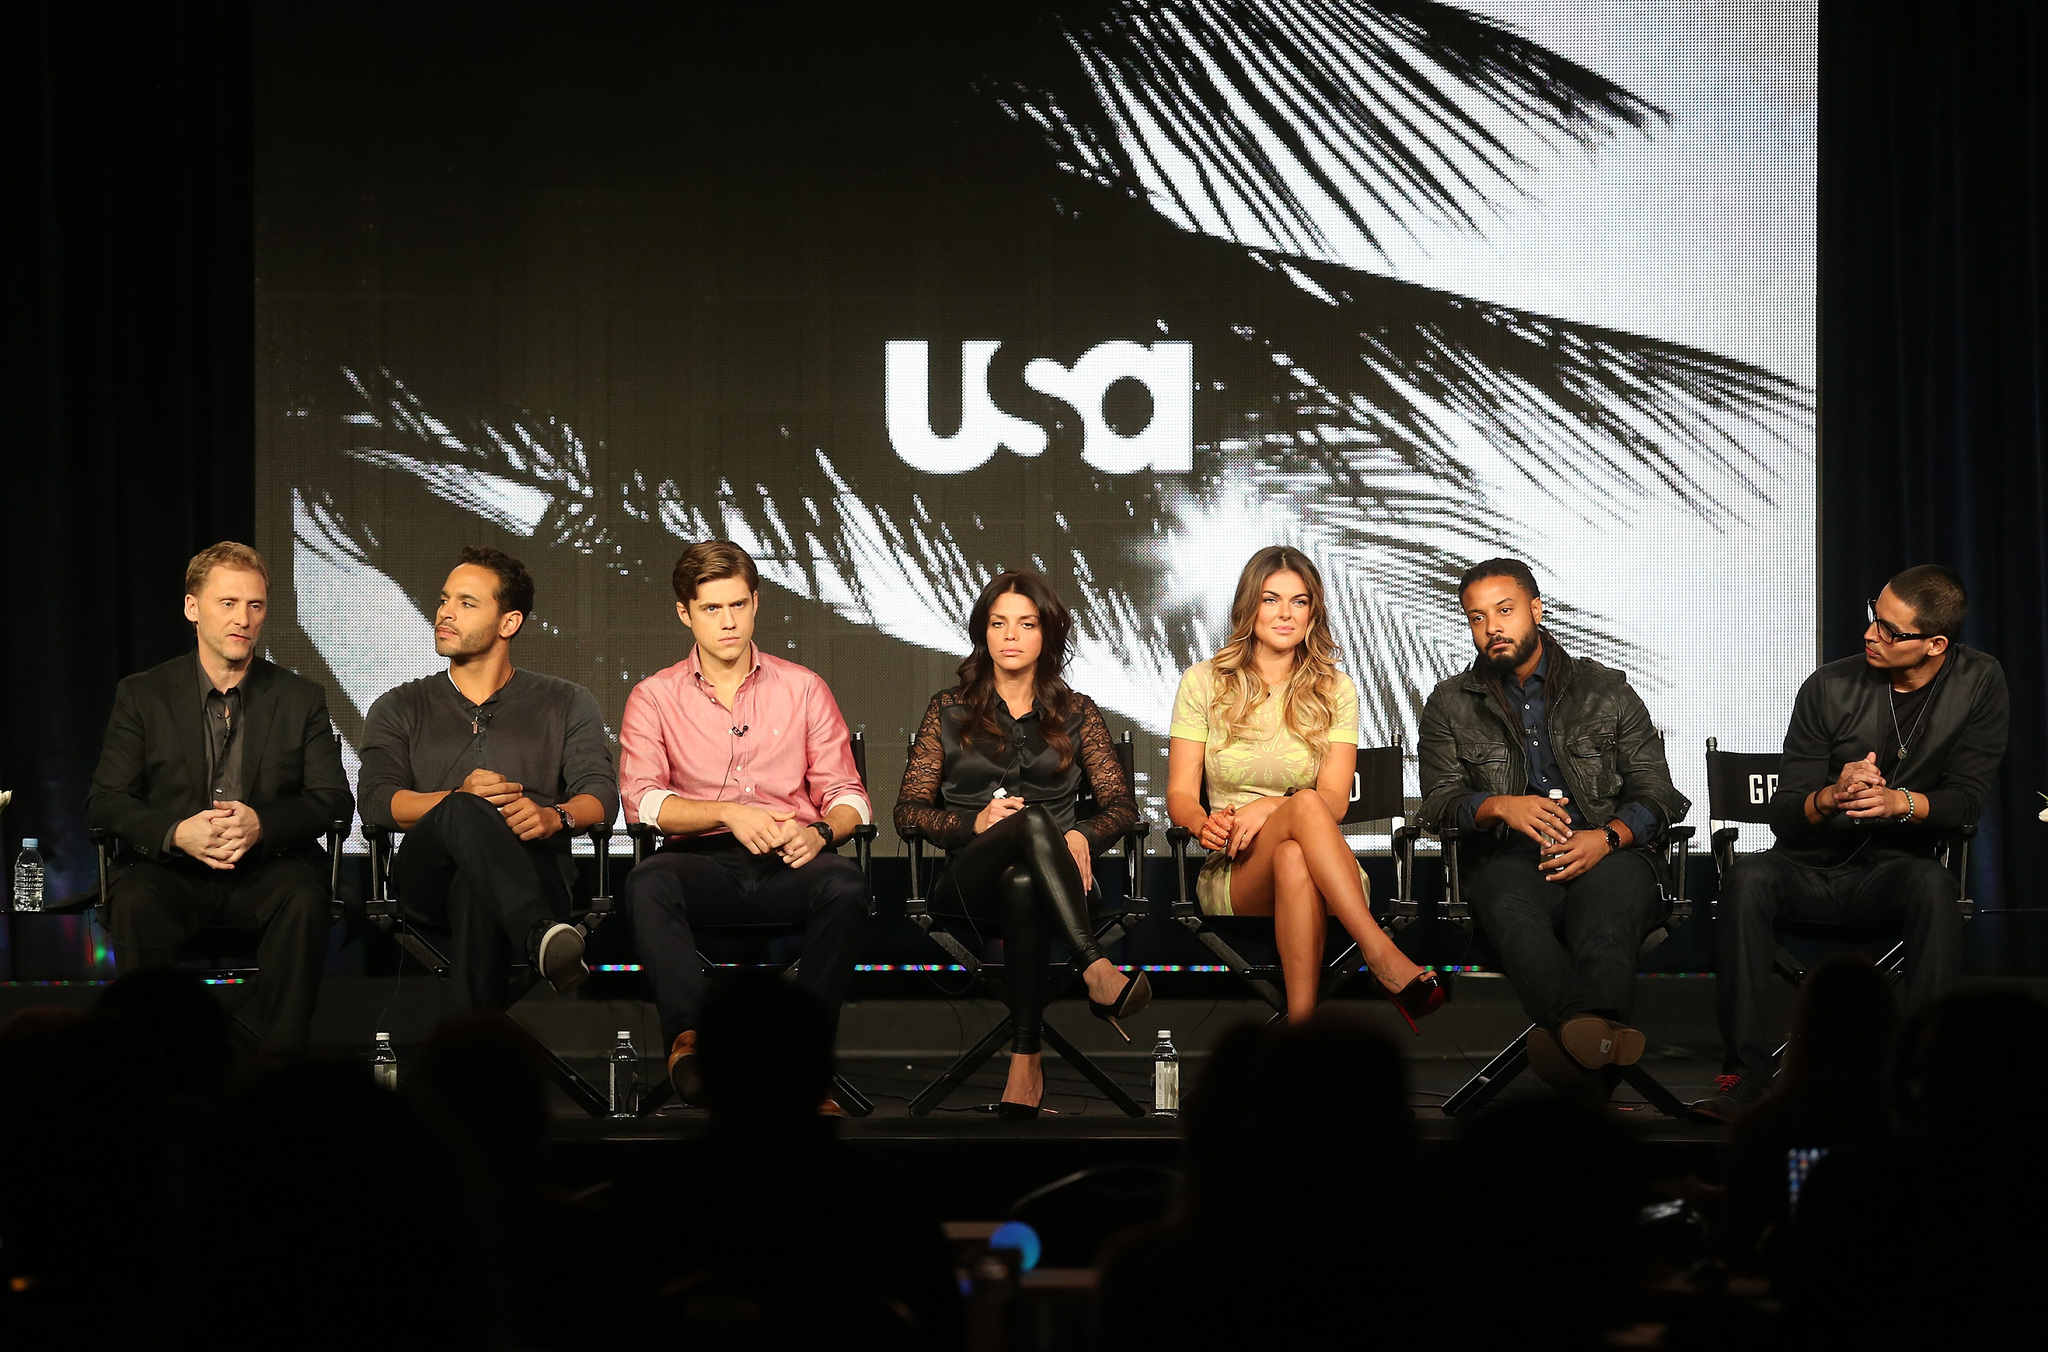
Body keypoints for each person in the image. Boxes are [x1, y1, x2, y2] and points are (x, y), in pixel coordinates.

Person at [1698, 564, 2009, 1122]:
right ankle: (1743, 1076)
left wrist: (1899, 803)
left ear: (1935, 644)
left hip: (1890, 872)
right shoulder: (1828, 686)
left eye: (1891, 630)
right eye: (1874, 617)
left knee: (1933, 887)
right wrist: (1830, 796)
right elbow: (1786, 815)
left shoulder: (1979, 683)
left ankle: (1918, 1079)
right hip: (1805, 867)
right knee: (1746, 877)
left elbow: (1967, 802)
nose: (1871, 634)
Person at [1417, 558, 1688, 1100]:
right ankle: (1593, 1047)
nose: (1491, 627)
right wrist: (1500, 806)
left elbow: (1661, 796)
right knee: (1505, 903)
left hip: (1610, 853)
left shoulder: (1605, 690)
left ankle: (1569, 1047)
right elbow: (1438, 805)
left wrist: (1606, 837)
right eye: (1476, 618)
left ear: (1536, 611)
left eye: (1504, 610)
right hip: (1510, 861)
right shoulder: (1450, 703)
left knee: (1606, 923)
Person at [619, 541, 871, 1105]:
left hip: (790, 862)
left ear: (756, 603)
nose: (728, 622)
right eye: (712, 609)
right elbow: (643, 802)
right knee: (645, 882)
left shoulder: (803, 687)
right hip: (700, 864)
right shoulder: (654, 696)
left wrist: (821, 832)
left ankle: (804, 1068)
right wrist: (727, 812)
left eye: (738, 605)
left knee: (847, 886)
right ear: (685, 612)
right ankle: (691, 1043)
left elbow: (850, 795)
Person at [894, 570, 1149, 1115]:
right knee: (1032, 825)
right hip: (968, 885)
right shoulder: (948, 709)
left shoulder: (1076, 712)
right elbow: (908, 812)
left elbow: (1124, 808)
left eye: (1026, 624)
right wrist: (975, 824)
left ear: (1046, 635)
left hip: (1053, 889)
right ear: (982, 633)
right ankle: (1095, 968)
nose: (1010, 635)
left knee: (1025, 877)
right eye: (998, 623)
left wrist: (1082, 834)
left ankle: (1025, 1066)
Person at [86, 542, 351, 1056]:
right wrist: (174, 832)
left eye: (255, 605)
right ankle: (152, 1068)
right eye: (227, 603)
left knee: (303, 897)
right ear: (192, 608)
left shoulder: (301, 698)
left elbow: (334, 801)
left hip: (267, 869)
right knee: (136, 900)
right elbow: (105, 800)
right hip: (170, 871)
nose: (243, 619)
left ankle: (282, 1068)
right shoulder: (142, 694)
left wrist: (262, 824)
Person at [1166, 545, 1442, 1026]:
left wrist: (1271, 805)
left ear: (1313, 611)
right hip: (1235, 864)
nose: (1285, 613)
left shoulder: (1335, 688)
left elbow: (1334, 802)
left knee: (1296, 849)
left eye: (1299, 601)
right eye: (1271, 599)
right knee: (1304, 808)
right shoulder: (1203, 682)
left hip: (1321, 866)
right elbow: (1180, 796)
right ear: (1248, 606)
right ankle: (1380, 952)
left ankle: (1300, 1036)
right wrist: (1200, 823)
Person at [357, 546, 617, 1012]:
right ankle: (539, 934)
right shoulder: (399, 705)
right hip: (427, 878)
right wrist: (458, 800)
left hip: (534, 870)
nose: (444, 613)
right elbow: (376, 801)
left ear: (509, 623)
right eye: (444, 600)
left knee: (477, 890)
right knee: (462, 807)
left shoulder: (566, 701)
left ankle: (469, 1059)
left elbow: (601, 795)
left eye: (466, 603)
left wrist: (553, 816)